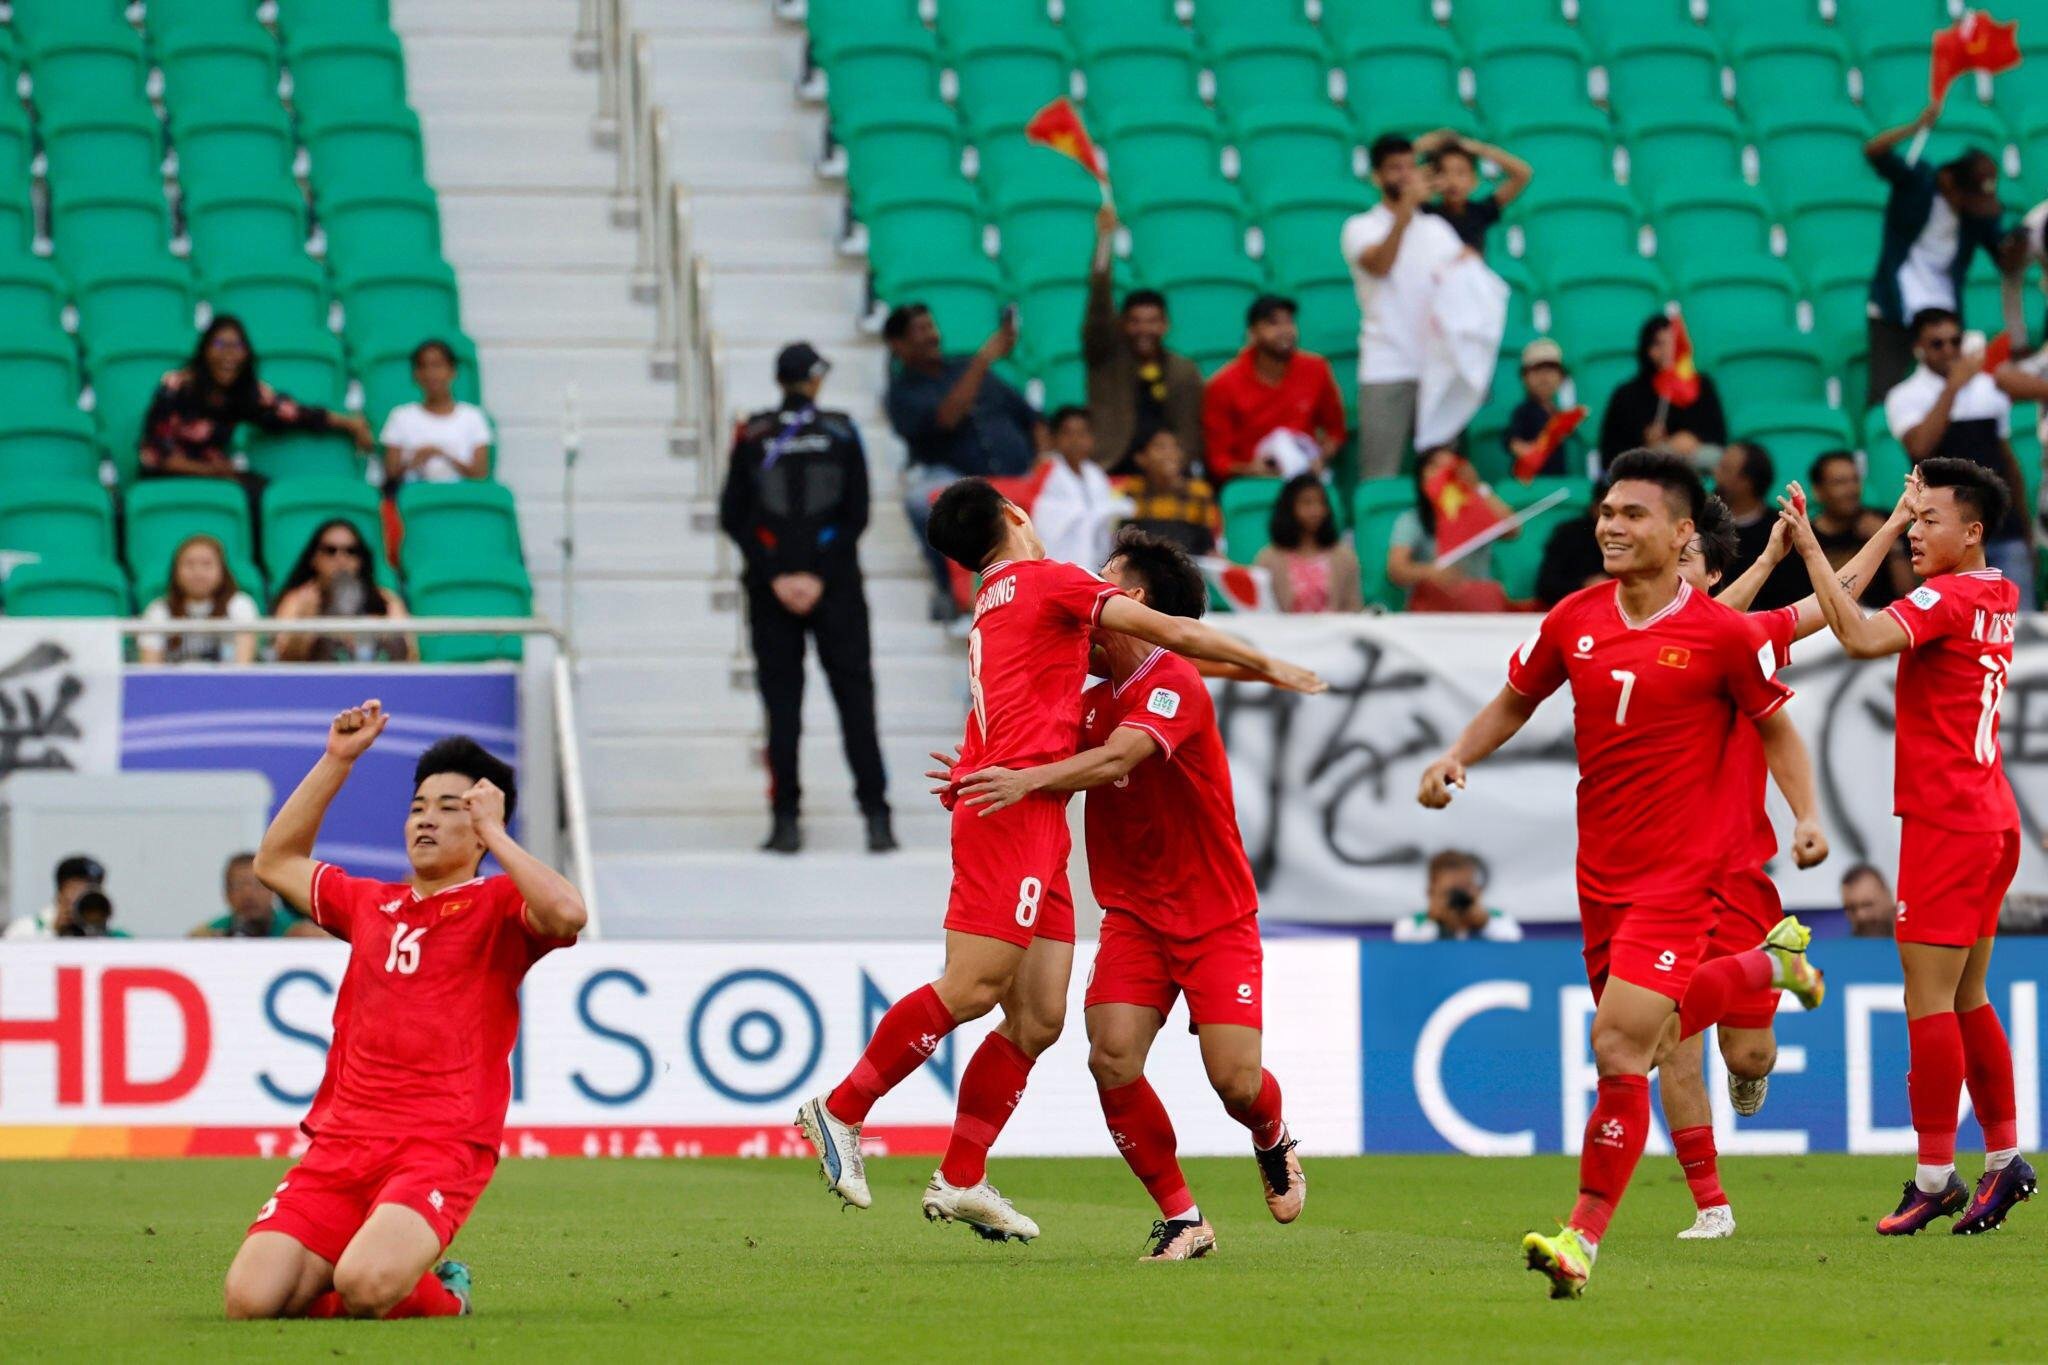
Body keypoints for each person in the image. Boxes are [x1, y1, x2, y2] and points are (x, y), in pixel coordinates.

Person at [793, 477, 1323, 1238]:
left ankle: (964, 1173)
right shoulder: (1051, 588)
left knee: (1039, 1018)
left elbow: (1044, 706)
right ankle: (841, 1109)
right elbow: (1135, 686)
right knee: (978, 990)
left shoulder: (1015, 613)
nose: (1094, 580)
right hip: (1027, 824)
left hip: (1120, 864)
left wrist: (985, 762)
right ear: (1015, 516)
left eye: (1109, 575)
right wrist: (1274, 666)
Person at [1416, 449, 1826, 1298]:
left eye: (1631, 513)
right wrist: (1458, 754)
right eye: (1606, 510)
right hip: (1600, 878)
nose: (1609, 524)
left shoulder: (1721, 633)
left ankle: (1583, 1238)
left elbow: (1779, 731)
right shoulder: (1574, 618)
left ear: (1681, 535)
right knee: (1648, 1042)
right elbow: (1517, 699)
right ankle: (1769, 965)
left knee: (1618, 1042)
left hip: (1684, 878)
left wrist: (1808, 817)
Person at [947, 530, 1304, 1261]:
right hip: (1134, 915)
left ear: (1131, 601)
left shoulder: (1173, 681)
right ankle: (1183, 1218)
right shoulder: (1082, 699)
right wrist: (973, 770)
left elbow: (1117, 757)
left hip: (1214, 915)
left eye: (1103, 577)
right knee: (1111, 1058)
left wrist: (1025, 780)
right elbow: (1022, 724)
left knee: (1235, 1082)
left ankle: (1270, 1136)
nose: (1087, 588)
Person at [223, 714, 585, 1320]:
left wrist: (495, 831)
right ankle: (362, 1271)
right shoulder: (370, 902)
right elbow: (275, 860)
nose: (426, 818)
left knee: (366, 1285)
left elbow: (568, 913)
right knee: (249, 1301)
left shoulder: (499, 904)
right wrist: (337, 759)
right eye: (419, 806)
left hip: (439, 1146)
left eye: (449, 808)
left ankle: (446, 1291)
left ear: (480, 830)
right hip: (340, 1145)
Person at [1780, 456, 2035, 1236]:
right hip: (1993, 819)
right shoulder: (1999, 589)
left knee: (1926, 1001)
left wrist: (1812, 551)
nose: (1918, 535)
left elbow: (1856, 636)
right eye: (1914, 520)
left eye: (1930, 521)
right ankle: (2005, 1159)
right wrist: (1894, 520)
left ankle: (1934, 1176)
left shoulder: (1949, 596)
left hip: (1947, 824)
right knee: (1969, 997)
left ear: (1974, 530)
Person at [1653, 485, 1909, 1240]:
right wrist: (1767, 556)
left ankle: (1768, 1002)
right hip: (1656, 880)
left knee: (1751, 1050)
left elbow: (1837, 601)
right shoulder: (1631, 636)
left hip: (1736, 877)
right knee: (1670, 1035)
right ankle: (1711, 1204)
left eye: (1688, 553)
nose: (1673, 562)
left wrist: (1888, 522)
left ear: (1697, 562)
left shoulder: (1740, 638)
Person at [718, 343, 893, 856]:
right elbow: (856, 514)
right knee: (855, 702)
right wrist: (816, 575)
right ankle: (877, 818)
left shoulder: (751, 432)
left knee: (782, 706)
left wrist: (776, 575)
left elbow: (735, 517)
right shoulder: (841, 429)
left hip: (773, 590)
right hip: (835, 586)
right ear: (815, 381)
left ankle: (785, 821)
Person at [883, 303, 1043, 618]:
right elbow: (947, 418)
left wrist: (1045, 463)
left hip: (1019, 474)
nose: (932, 336)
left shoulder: (964, 366)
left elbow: (1031, 417)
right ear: (898, 345)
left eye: (931, 327)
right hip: (959, 482)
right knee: (919, 500)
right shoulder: (902, 392)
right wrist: (983, 361)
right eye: (920, 330)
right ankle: (954, 594)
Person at [1883, 308, 2034, 604]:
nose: (1949, 350)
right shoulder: (1904, 395)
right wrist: (1953, 387)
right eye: (1937, 344)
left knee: (2018, 624)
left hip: (2002, 525)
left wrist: (2025, 524)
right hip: (1945, 533)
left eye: (1955, 341)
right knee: (1955, 624)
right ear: (1919, 348)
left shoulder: (1988, 388)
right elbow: (1920, 447)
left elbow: (2006, 460)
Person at [1342, 133, 1469, 480]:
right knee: (1380, 474)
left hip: (1437, 367)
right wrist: (1404, 213)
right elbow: (1380, 264)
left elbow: (1464, 287)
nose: (1404, 175)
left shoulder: (1438, 229)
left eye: (1410, 167)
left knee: (1445, 480)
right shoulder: (1360, 226)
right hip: (1386, 367)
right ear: (1376, 177)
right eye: (1394, 168)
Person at [1864, 103, 2007, 407]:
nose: (1972, 207)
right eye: (1968, 197)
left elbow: (2004, 257)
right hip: (1895, 307)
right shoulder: (1918, 184)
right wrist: (1915, 127)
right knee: (1885, 396)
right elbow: (1874, 151)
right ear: (1949, 182)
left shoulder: (1976, 216)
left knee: (1955, 398)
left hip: (1945, 318)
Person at [141, 316, 373, 483]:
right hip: (168, 480)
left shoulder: (246, 392)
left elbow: (296, 413)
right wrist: (213, 471)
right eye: (220, 344)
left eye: (238, 346)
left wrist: (351, 423)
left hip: (218, 477)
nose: (229, 354)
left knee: (266, 493)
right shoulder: (175, 386)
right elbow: (156, 455)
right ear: (204, 350)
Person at [1083, 204, 1204, 469]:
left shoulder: (1183, 371)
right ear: (1122, 325)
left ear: (1166, 325)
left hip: (1167, 473)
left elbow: (1189, 434)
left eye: (1152, 322)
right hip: (1111, 467)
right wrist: (1105, 240)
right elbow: (1099, 309)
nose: (1144, 330)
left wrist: (1174, 466)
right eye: (1135, 322)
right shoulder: (1105, 359)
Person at [1201, 295, 1346, 485]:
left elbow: (1335, 431)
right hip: (1252, 483)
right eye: (1273, 323)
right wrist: (1250, 469)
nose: (1285, 331)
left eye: (1289, 322)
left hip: (1306, 479)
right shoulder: (1223, 385)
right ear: (1252, 333)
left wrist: (1320, 456)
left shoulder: (1316, 369)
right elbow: (1218, 460)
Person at [1386, 447, 1513, 611]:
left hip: (1479, 605)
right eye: (1436, 467)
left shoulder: (1478, 512)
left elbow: (1512, 530)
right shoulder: (1412, 520)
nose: (1445, 474)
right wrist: (1430, 572)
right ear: (1421, 478)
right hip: (1433, 608)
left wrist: (1477, 487)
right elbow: (1396, 569)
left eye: (1451, 467)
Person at [273, 520, 415, 663]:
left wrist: (379, 631)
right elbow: (284, 662)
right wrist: (304, 625)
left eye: (351, 551)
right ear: (314, 558)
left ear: (360, 560)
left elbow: (411, 657)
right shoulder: (297, 600)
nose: (341, 559)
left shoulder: (386, 600)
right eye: (330, 551)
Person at [1597, 314, 1727, 470]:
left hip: (1696, 461)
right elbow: (1610, 452)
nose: (1668, 352)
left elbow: (1719, 435)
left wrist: (1694, 439)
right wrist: (1645, 441)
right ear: (1647, 349)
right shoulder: (1626, 394)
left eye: (1673, 343)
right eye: (1659, 344)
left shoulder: (1702, 385)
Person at [1801, 451, 1916, 608]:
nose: (1851, 489)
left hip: (1881, 620)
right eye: (1840, 482)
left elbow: (1908, 594)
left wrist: (1890, 542)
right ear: (1817, 490)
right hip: (1821, 625)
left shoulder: (1886, 522)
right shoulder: (1805, 537)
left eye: (1855, 480)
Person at [379, 339, 492, 485]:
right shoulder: (400, 416)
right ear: (415, 375)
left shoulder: (473, 417)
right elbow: (390, 475)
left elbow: (480, 474)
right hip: (415, 499)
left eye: (437, 366)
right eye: (423, 367)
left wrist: (443, 455)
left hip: (462, 497)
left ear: (452, 371)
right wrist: (414, 462)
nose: (430, 374)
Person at [1032, 406, 1131, 570]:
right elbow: (1046, 517)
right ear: (1054, 438)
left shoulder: (1095, 474)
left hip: (1095, 559)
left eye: (1082, 433)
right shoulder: (1046, 469)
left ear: (1092, 438)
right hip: (1058, 558)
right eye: (1068, 433)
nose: (1075, 440)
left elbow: (1103, 520)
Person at [137, 534, 261, 665]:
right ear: (175, 571)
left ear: (222, 570)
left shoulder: (240, 604)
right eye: (189, 564)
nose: (198, 572)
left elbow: (243, 668)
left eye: (207, 564)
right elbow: (150, 670)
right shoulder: (158, 610)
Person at [1712, 441, 1805, 611]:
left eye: (1725, 469)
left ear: (1746, 482)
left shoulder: (1782, 529)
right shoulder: (1705, 525)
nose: (1715, 473)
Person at [1254, 474, 1363, 614]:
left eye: (1320, 503)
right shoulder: (1267, 559)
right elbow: (1261, 611)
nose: (1315, 511)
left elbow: (1354, 608)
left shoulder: (1344, 556)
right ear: (1289, 508)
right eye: (1306, 503)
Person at [1418, 129, 1532, 253]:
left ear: (1474, 180)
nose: (1453, 181)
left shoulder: (1480, 212)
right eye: (1444, 173)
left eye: (1460, 173)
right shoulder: (1426, 213)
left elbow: (1523, 174)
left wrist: (1479, 149)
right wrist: (1419, 147)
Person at [1113, 428, 1219, 556]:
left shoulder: (1199, 492)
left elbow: (1208, 545)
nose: (1169, 453)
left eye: (1175, 447)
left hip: (1187, 568)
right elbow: (1122, 542)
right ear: (1141, 458)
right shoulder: (1131, 491)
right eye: (1160, 447)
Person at [1391, 849, 1522, 942]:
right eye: (1449, 893)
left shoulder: (1500, 920)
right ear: (1431, 892)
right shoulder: (1411, 925)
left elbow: (1513, 945)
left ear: (1476, 890)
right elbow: (1406, 952)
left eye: (1465, 889)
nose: (1457, 900)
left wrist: (1483, 924)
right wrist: (1439, 924)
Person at [190, 852, 321, 938]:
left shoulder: (297, 932)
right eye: (239, 885)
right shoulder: (208, 935)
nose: (248, 894)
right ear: (227, 894)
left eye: (257, 885)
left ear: (273, 889)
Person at [1505, 338, 1584, 479]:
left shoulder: (1558, 414)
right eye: (1536, 371)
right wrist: (1525, 450)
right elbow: (1511, 440)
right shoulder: (1523, 411)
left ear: (1561, 377)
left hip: (1558, 482)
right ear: (1524, 377)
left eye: (1550, 371)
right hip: (1532, 486)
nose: (1544, 378)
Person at [1534, 482, 1608, 608]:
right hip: (1578, 610)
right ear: (1595, 506)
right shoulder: (1569, 534)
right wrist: (1585, 586)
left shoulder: (1638, 536)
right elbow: (1546, 587)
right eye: (1608, 511)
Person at [3, 854, 105, 939]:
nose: (83, 894)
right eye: (75, 889)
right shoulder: (24, 930)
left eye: (90, 889)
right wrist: (55, 932)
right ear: (60, 893)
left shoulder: (112, 935)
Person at [1842, 863, 1899, 939]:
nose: (1861, 916)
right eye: (1852, 909)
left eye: (1867, 905)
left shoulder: (1915, 943)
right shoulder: (1845, 949)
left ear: (1888, 897)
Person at [59, 889, 129, 938]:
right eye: (88, 910)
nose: (94, 915)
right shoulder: (67, 940)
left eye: (99, 909)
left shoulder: (120, 939)